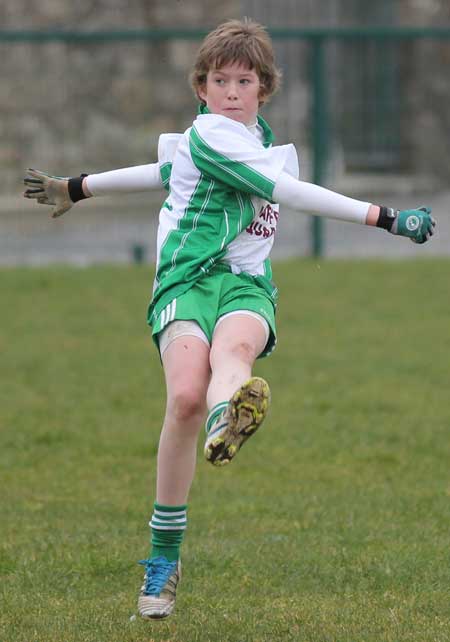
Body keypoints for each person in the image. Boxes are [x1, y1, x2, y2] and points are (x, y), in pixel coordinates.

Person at [24, 18, 436, 621]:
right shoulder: (213, 137)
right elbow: (290, 194)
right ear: (202, 87)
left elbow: (159, 172)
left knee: (235, 352)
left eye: (245, 80)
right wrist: (388, 217)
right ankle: (165, 555)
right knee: (184, 398)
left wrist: (79, 186)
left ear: (263, 89)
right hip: (186, 282)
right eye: (220, 80)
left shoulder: (256, 145)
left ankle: (229, 417)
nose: (232, 91)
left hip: (245, 285)